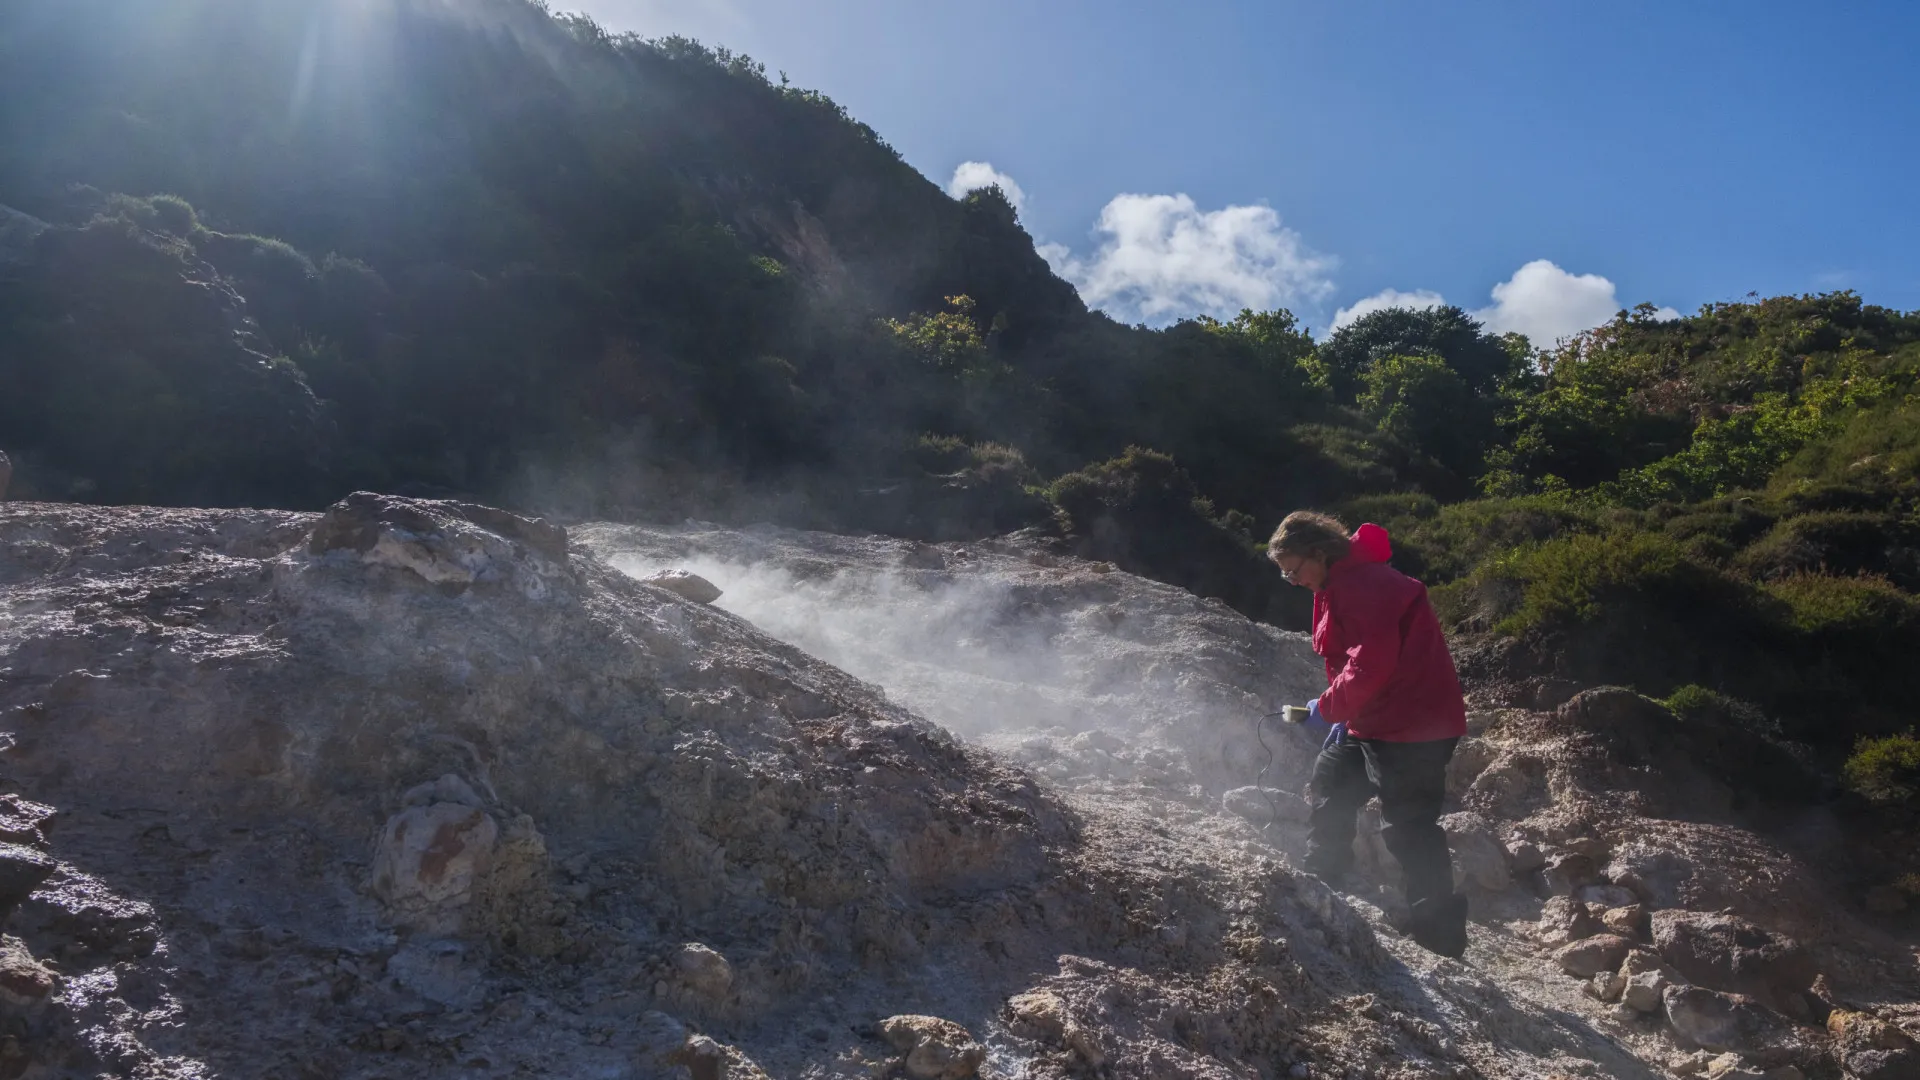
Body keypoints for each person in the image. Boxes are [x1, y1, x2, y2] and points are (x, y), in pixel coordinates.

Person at [1269, 510, 1470, 958]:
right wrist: (1341, 713)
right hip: (1374, 718)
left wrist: (1326, 708)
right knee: (1332, 781)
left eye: (1295, 571)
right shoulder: (1337, 582)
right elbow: (1354, 661)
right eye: (1287, 576)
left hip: (1415, 726)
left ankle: (1441, 939)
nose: (1294, 581)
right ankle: (1324, 878)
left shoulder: (1366, 586)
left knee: (1409, 828)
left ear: (1319, 554)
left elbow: (1370, 664)